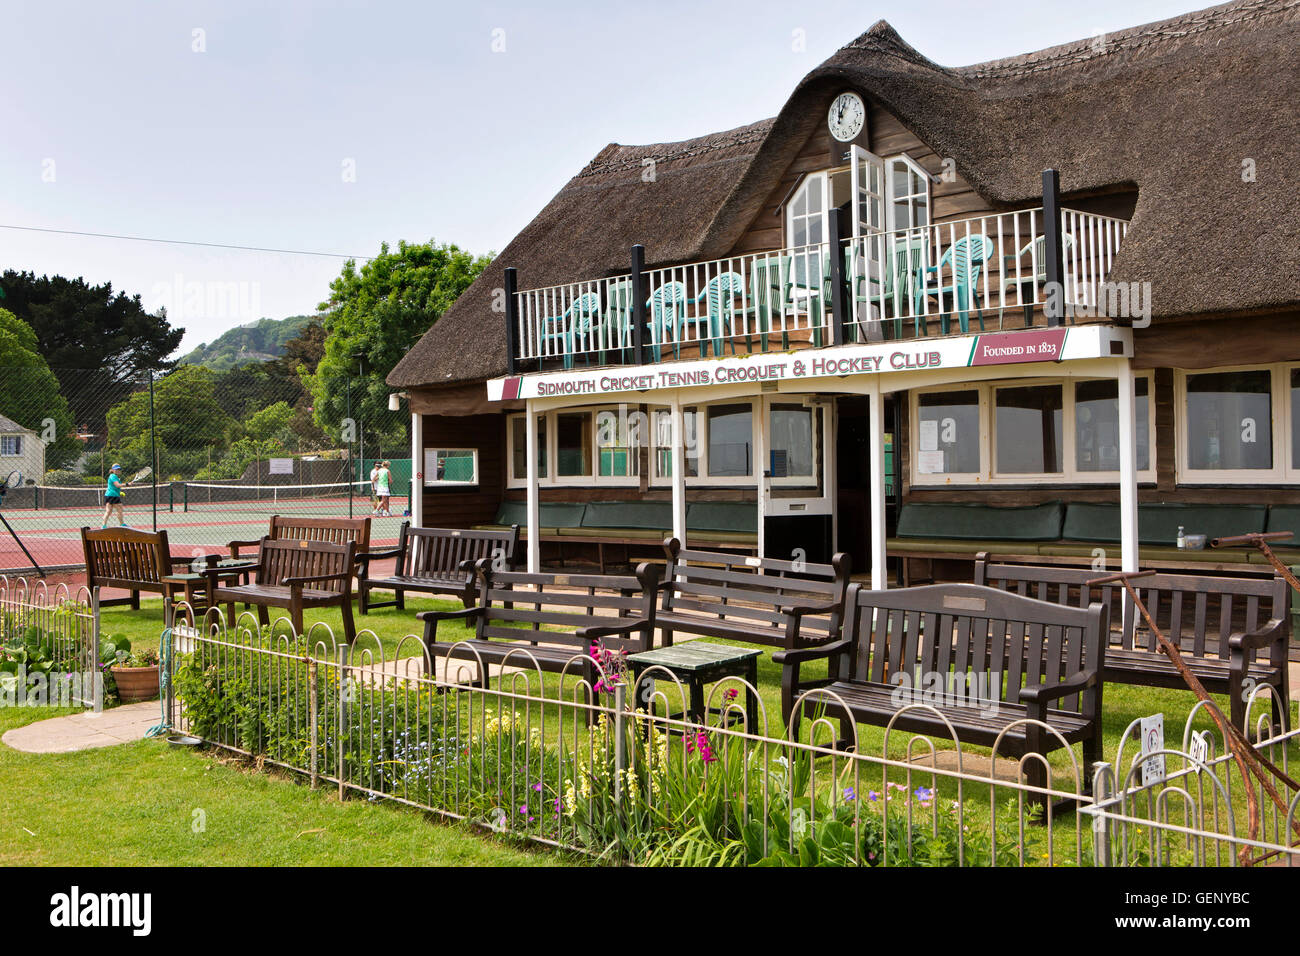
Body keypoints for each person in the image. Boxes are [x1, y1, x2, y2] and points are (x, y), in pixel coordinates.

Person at [102, 463, 128, 528]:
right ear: (112, 470)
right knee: (119, 509)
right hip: (112, 496)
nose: (118, 470)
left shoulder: (115, 477)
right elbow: (117, 485)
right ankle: (122, 524)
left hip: (110, 495)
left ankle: (104, 525)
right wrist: (127, 484)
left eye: (119, 469)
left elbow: (114, 487)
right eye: (116, 469)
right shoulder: (113, 476)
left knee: (109, 511)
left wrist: (119, 493)